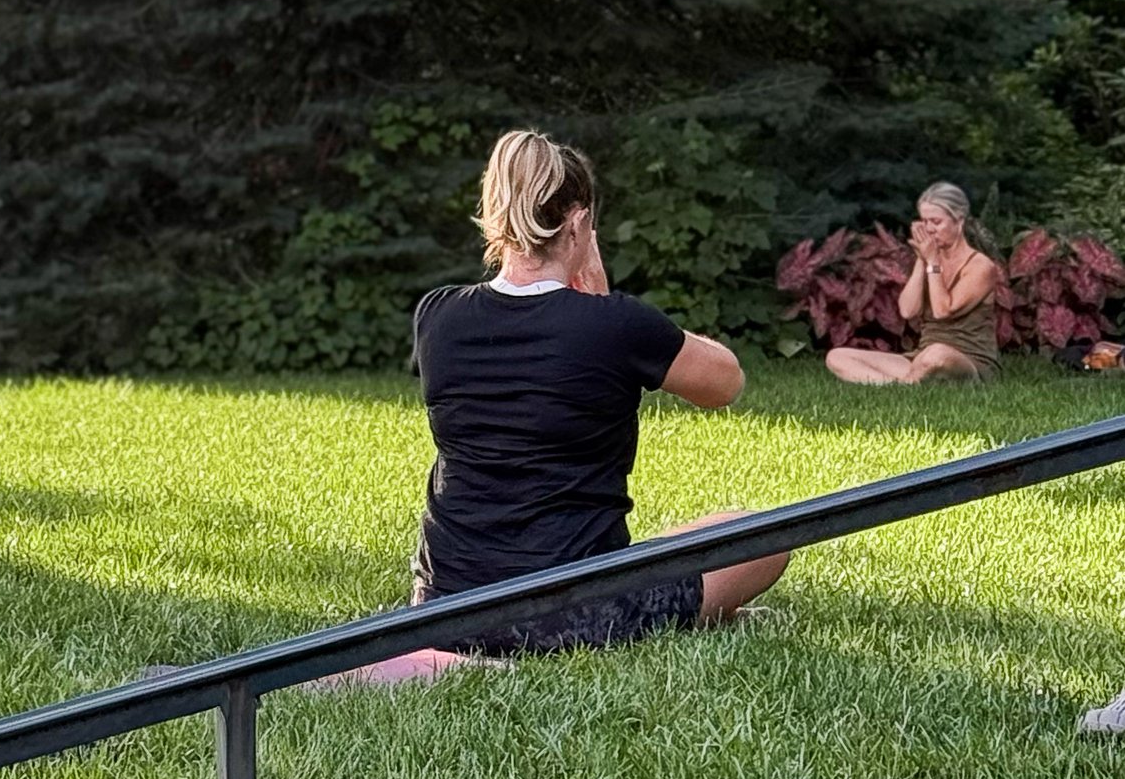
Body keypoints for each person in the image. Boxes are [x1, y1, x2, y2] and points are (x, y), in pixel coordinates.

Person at [344, 130, 790, 685]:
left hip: (445, 604)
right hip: (577, 612)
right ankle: (677, 614)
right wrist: (603, 304)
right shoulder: (614, 324)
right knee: (762, 533)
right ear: (578, 224)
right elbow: (726, 383)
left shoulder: (437, 316)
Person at [825, 184, 1004, 385]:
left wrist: (933, 262)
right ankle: (903, 385)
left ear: (959, 222)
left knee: (936, 354)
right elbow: (908, 311)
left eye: (936, 222)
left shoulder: (981, 266)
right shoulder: (930, 259)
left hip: (968, 362)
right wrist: (922, 260)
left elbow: (943, 311)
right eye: (924, 222)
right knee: (837, 356)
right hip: (921, 358)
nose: (928, 229)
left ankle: (906, 383)